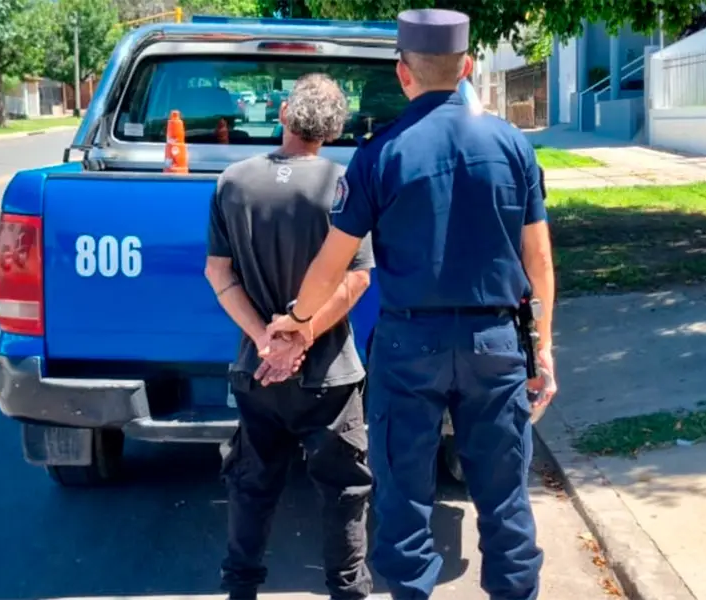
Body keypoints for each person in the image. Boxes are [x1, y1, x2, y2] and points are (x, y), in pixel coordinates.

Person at [264, 9, 558, 600]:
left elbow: (332, 262)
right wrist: (543, 348)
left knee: (402, 502)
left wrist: (296, 321)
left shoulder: (380, 155)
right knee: (504, 498)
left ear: (404, 74)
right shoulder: (512, 147)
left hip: (409, 347)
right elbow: (540, 262)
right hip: (495, 344)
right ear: (467, 68)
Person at [204, 73, 376, 600]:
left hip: (257, 374)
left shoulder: (233, 182)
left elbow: (218, 273)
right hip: (331, 375)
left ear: (283, 114)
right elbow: (356, 280)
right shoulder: (343, 185)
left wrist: (265, 340)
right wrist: (302, 337)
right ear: (335, 129)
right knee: (344, 492)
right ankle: (348, 592)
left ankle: (240, 590)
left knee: (251, 486)